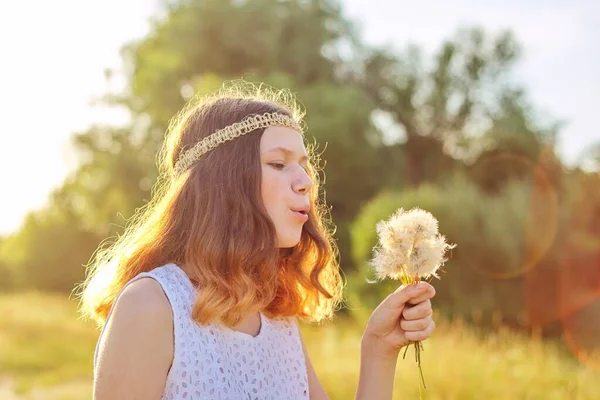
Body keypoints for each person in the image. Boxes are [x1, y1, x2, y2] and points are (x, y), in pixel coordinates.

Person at [78, 82, 436, 400]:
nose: (306, 182)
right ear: (223, 182)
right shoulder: (151, 306)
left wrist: (379, 348)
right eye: (279, 164)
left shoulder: (276, 317)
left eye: (304, 166)